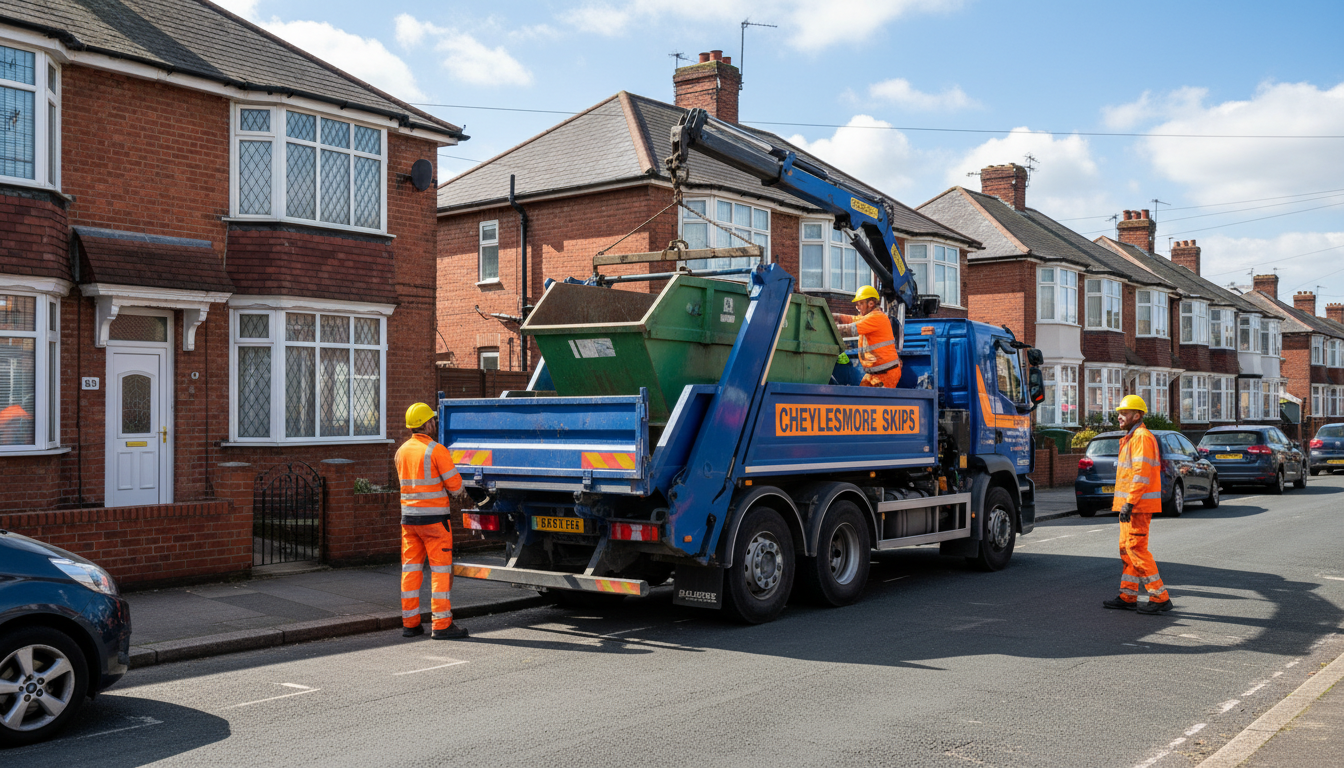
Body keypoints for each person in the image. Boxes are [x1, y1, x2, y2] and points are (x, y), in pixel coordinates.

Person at [396, 402, 469, 639]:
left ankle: (410, 623)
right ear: (427, 423)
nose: (436, 424)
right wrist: (463, 495)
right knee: (440, 571)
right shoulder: (436, 450)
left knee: (411, 570)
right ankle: (442, 624)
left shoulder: (401, 451)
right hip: (435, 522)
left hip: (409, 521)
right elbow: (455, 486)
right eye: (433, 420)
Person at [1102, 395, 1174, 615]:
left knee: (1136, 549)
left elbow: (1141, 475)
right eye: (1119, 413)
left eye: (1124, 413)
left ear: (1137, 415)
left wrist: (1130, 503)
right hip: (1131, 505)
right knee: (1126, 550)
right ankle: (1128, 596)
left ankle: (1160, 597)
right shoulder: (1131, 438)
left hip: (1138, 506)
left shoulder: (1141, 437)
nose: (1119, 416)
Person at [834, 285, 902, 388]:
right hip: (875, 373)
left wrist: (830, 327)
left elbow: (850, 329)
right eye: (857, 304)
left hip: (886, 374)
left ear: (871, 303)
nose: (858, 307)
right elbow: (850, 319)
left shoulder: (877, 317)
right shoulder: (869, 317)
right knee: (862, 400)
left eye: (861, 303)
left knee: (871, 402)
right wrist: (831, 316)